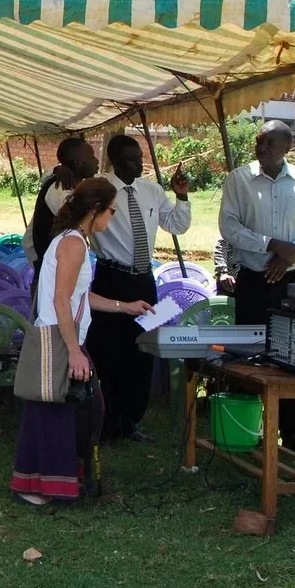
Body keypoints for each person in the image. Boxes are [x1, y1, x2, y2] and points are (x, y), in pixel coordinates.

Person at [11, 178, 151, 505]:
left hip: (65, 335)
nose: (112, 218)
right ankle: (40, 486)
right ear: (94, 210)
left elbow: (78, 296)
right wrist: (75, 353)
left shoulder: (76, 241)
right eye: (111, 211)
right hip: (59, 338)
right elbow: (62, 300)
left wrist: (123, 306)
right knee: (58, 412)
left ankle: (44, 484)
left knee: (68, 410)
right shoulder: (73, 243)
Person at [220, 121, 295, 460]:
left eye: (270, 142)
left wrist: (292, 251)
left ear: (286, 147)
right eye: (259, 141)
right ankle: (244, 429)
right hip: (254, 279)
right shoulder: (239, 179)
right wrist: (271, 245)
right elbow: (229, 227)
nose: (262, 147)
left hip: (293, 282)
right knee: (247, 355)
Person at [86, 134, 190, 442]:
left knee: (142, 350)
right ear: (116, 160)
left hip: (144, 281)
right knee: (108, 351)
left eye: (140, 156)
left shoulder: (151, 190)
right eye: (132, 158)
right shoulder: (101, 189)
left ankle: (130, 420)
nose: (140, 162)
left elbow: (177, 225)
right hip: (111, 278)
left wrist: (181, 196)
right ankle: (103, 421)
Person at [22, 137, 99, 290]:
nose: (96, 161)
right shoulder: (59, 188)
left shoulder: (73, 185)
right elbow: (81, 220)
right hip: (51, 274)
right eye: (91, 157)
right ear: (78, 162)